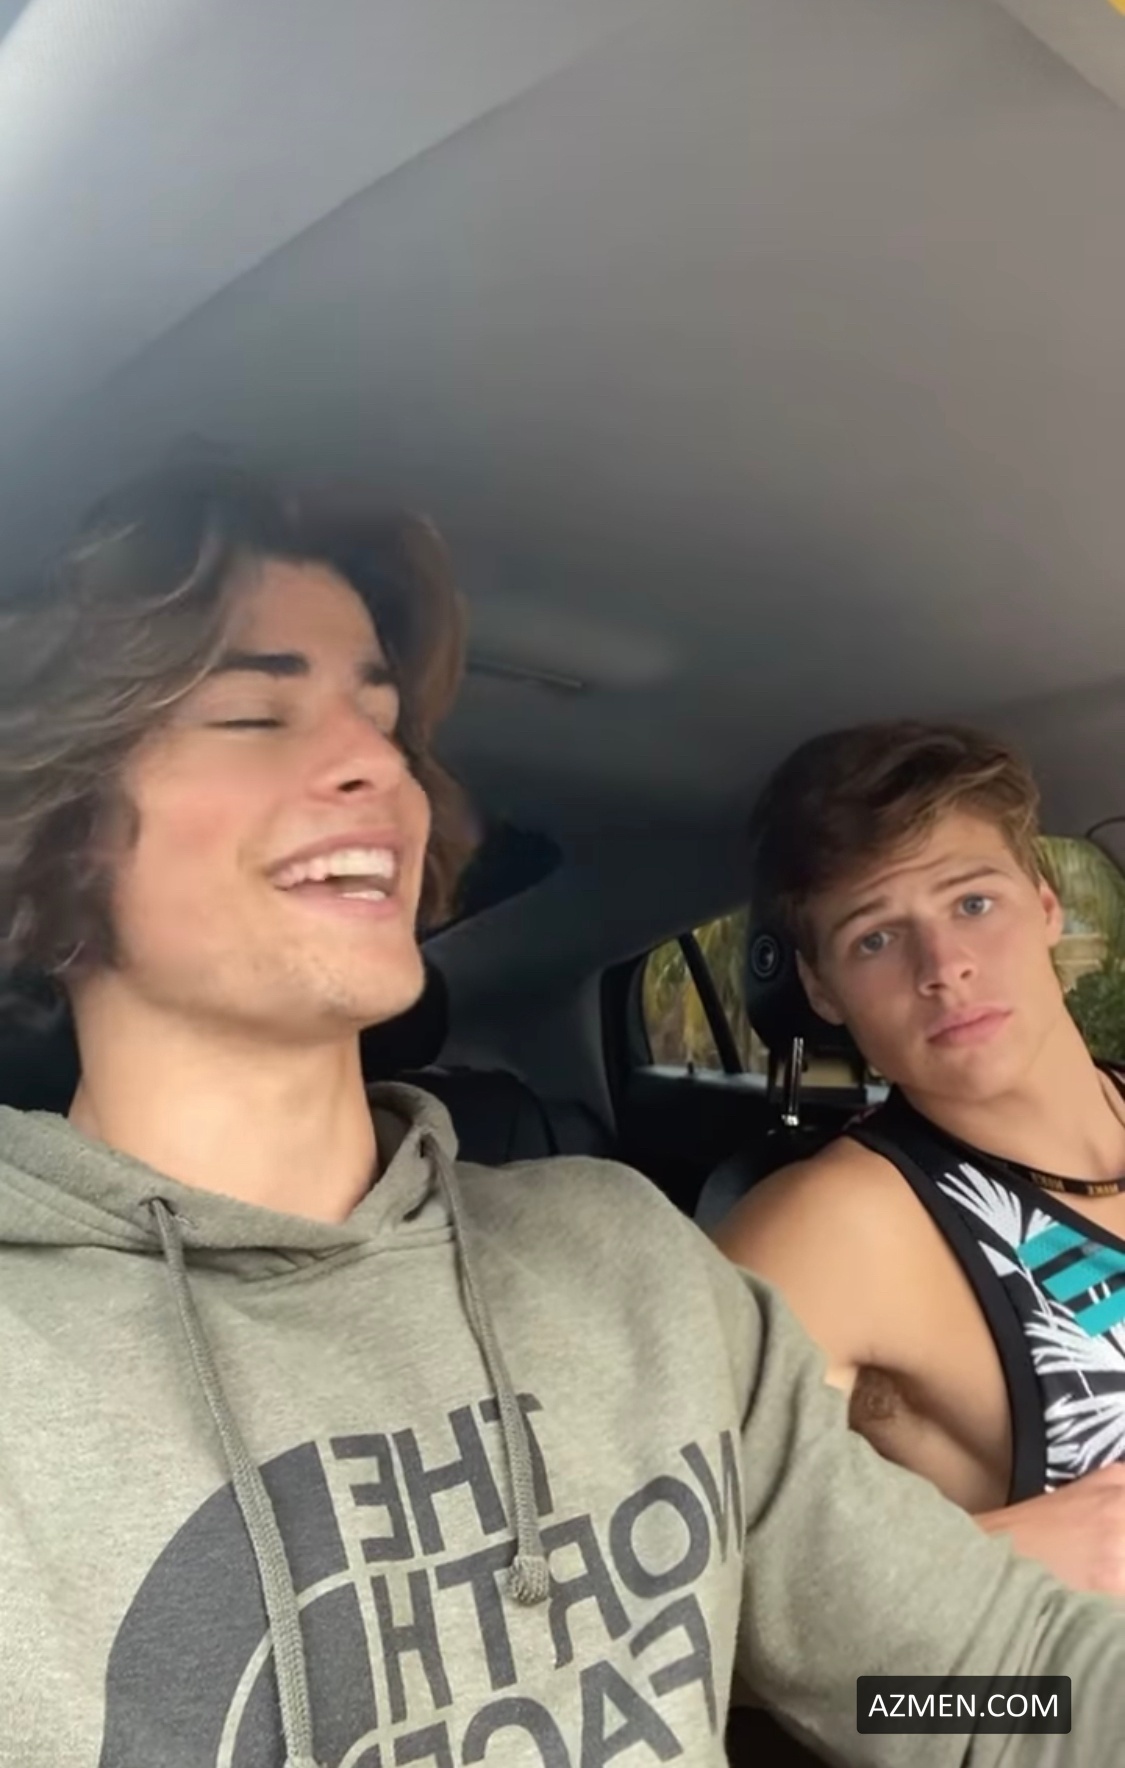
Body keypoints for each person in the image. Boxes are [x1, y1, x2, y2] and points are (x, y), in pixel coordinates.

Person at [1, 473, 1124, 1768]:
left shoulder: (628, 1263)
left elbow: (966, 1688)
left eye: (384, 720)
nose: (377, 765)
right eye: (254, 715)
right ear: (58, 831)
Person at [718, 720, 1125, 1604]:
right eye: (874, 938)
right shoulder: (832, 1225)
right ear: (820, 988)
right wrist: (984, 1560)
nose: (944, 967)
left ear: (1044, 905)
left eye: (972, 903)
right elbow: (658, 1589)